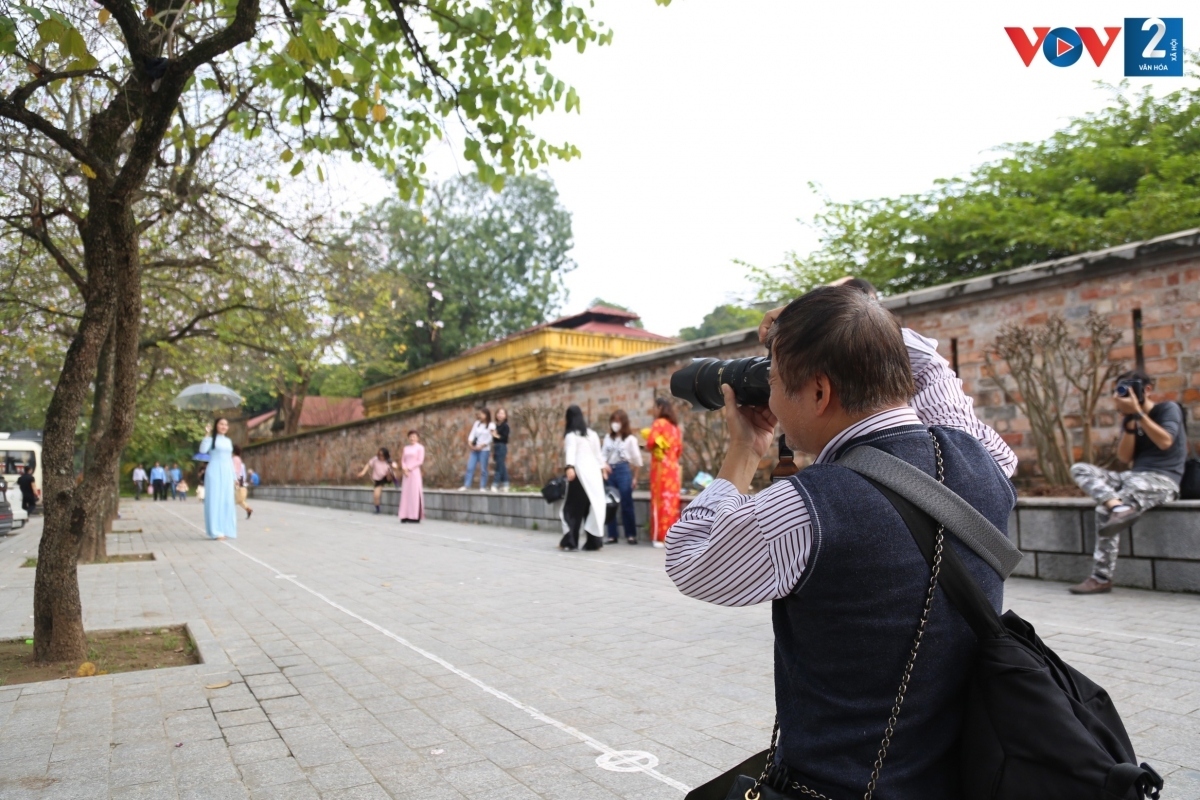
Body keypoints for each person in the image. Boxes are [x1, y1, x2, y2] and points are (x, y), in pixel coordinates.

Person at [667, 286, 1018, 799]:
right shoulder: (984, 459)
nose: (771, 399)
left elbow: (691, 559)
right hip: (957, 780)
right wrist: (862, 320)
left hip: (839, 787)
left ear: (819, 392)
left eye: (776, 382)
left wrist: (743, 452)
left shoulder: (808, 508)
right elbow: (935, 374)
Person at [1068, 370, 1186, 595]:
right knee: (1080, 469)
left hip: (1162, 480)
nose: (1122, 394)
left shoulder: (1167, 409)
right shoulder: (1131, 418)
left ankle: (1101, 578)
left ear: (1147, 390)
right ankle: (1118, 507)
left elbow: (1165, 441)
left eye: (1128, 389)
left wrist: (1139, 414)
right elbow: (1124, 458)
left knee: (1105, 507)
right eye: (1119, 390)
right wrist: (1130, 421)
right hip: (1132, 477)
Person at [560, 405, 606, 551]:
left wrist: (569, 467)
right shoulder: (592, 434)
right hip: (593, 475)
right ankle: (594, 542)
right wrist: (602, 469)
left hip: (579, 474)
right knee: (591, 508)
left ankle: (570, 541)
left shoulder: (571, 435)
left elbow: (571, 452)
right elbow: (598, 456)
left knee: (573, 509)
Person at [645, 397, 682, 548]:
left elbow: (650, 442)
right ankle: (671, 536)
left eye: (655, 407)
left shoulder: (658, 423)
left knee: (659, 502)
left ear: (660, 408)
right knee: (672, 503)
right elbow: (679, 450)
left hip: (661, 469)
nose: (653, 410)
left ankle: (659, 537)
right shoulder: (675, 428)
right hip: (673, 470)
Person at [602, 410, 643, 544]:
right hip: (610, 470)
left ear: (623, 422)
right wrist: (603, 467)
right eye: (613, 421)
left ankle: (631, 534)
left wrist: (635, 477)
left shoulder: (630, 439)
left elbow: (637, 460)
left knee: (626, 502)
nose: (615, 424)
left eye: (618, 421)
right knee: (610, 503)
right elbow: (602, 455)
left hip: (623, 469)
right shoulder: (608, 438)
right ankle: (612, 535)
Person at [199, 418, 237, 539]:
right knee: (214, 500)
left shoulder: (228, 441)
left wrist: (235, 477)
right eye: (221, 424)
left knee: (227, 500)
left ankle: (226, 529)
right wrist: (207, 434)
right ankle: (215, 531)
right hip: (214, 471)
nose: (224, 426)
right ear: (216, 426)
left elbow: (230, 459)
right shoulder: (210, 439)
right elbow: (202, 450)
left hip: (227, 472)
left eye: (226, 424)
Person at [459, 408, 493, 491]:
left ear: (486, 415)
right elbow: (472, 434)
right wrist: (470, 443)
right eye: (480, 414)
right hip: (474, 449)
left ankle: (482, 486)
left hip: (484, 450)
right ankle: (467, 485)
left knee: (483, 469)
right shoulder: (477, 423)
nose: (480, 416)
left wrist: (482, 445)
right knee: (470, 467)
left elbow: (490, 438)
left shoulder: (491, 425)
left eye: (482, 414)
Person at [357, 448, 396, 514]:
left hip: (387, 477)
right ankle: (377, 508)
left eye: (382, 456)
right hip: (378, 479)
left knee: (390, 473)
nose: (381, 457)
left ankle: (394, 482)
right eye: (380, 455)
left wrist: (393, 465)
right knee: (376, 495)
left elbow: (395, 465)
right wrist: (363, 472)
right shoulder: (375, 459)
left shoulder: (388, 460)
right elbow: (368, 465)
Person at [399, 431, 426, 523]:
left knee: (414, 493)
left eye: (414, 436)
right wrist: (404, 468)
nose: (412, 438)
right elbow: (403, 460)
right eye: (410, 436)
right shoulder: (406, 448)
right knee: (406, 494)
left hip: (414, 472)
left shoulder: (420, 448)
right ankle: (405, 515)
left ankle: (414, 516)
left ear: (417, 438)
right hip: (406, 474)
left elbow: (420, 461)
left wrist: (409, 468)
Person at [490, 408, 510, 492]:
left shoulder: (505, 426)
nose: (500, 415)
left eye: (502, 413)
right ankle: (506, 484)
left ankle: (495, 484)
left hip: (502, 446)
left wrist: (495, 435)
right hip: (496, 446)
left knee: (499, 466)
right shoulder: (495, 426)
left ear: (505, 416)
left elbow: (505, 438)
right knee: (501, 465)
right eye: (498, 413)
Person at [232, 445, 254, 520]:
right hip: (240, 480)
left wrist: (235, 479)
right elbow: (243, 473)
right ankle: (248, 509)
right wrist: (243, 481)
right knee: (238, 499)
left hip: (235, 480)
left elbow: (234, 471)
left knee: (235, 498)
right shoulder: (240, 462)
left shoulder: (234, 459)